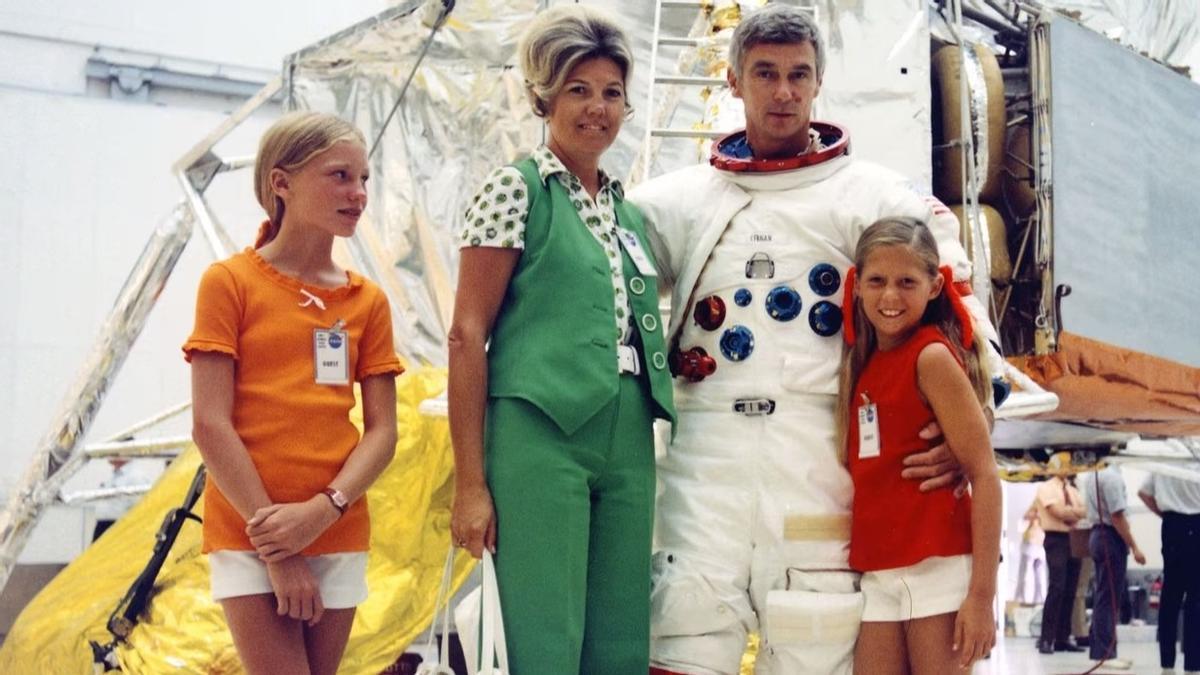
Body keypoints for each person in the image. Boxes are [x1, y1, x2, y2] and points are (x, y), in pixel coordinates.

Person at [627, 5, 996, 674]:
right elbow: (594, 280)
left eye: (799, 74)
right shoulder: (677, 201)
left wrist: (969, 409)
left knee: (813, 640)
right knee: (683, 628)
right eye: (765, 74)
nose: (784, 91)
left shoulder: (869, 194)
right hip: (705, 466)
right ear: (734, 82)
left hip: (819, 458)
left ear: (820, 80)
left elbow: (953, 282)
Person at [446, 6, 676, 674]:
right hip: (537, 432)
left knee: (621, 636)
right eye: (578, 89)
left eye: (610, 92)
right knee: (544, 636)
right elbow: (466, 336)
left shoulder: (625, 209)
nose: (596, 108)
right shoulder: (514, 189)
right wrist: (470, 484)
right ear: (542, 97)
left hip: (629, 432)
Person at [184, 111, 403, 675]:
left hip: (338, 528)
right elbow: (211, 424)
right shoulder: (229, 283)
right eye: (339, 176)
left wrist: (323, 511)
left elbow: (382, 432)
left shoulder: (367, 302)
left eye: (364, 179)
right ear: (280, 183)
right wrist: (278, 546)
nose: (357, 194)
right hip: (249, 529)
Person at [839, 217, 1000, 674]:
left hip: (938, 569)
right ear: (856, 285)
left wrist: (982, 596)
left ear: (934, 286)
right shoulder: (865, 363)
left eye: (907, 282)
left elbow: (986, 475)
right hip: (880, 574)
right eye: (877, 281)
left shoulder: (930, 357)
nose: (890, 296)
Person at [1081, 465, 1147, 670]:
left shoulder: (1092, 474)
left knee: (1104, 595)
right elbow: (1117, 517)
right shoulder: (1111, 478)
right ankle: (1105, 655)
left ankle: (1103, 651)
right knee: (1107, 598)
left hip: (1098, 535)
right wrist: (1135, 547)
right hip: (1109, 537)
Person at [1138, 472, 1200, 675]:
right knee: (1195, 601)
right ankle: (1192, 666)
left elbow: (1143, 493)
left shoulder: (1162, 461)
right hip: (1197, 524)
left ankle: (1167, 665)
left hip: (1171, 526)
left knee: (1170, 598)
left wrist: (1165, 515)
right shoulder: (1193, 457)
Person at [1034, 470, 1087, 653]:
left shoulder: (1072, 489)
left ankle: (1062, 638)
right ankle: (1046, 639)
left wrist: (1070, 512)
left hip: (1073, 538)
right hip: (1055, 539)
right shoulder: (1046, 488)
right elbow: (1057, 512)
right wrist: (1073, 513)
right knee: (1057, 587)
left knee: (1070, 589)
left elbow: (1084, 510)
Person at [1014, 500, 1046, 605]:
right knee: (1025, 576)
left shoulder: (1045, 514)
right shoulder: (1029, 514)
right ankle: (1020, 600)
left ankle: (1039, 601)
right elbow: (1020, 527)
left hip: (1040, 548)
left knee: (1040, 579)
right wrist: (1028, 518)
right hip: (1028, 547)